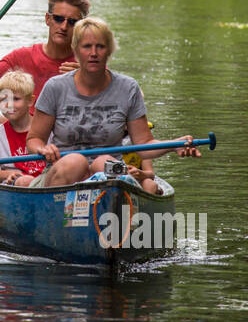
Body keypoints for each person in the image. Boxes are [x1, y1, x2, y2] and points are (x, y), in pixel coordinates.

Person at [26, 16, 201, 194]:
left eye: (100, 46)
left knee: (104, 163)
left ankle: (109, 215)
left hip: (109, 174)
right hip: (61, 172)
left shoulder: (128, 88)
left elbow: (145, 144)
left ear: (109, 50)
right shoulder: (56, 87)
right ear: (76, 50)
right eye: (87, 46)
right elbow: (33, 139)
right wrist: (42, 147)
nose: (93, 53)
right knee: (75, 162)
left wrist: (174, 145)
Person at [0, 0, 90, 137]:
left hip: (66, 141)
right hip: (26, 139)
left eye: (72, 22)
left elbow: (108, 112)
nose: (63, 27)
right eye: (58, 19)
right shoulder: (21, 57)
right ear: (47, 19)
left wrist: (88, 81)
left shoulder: (89, 63)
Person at [0, 71, 47, 186]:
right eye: (4, 100)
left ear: (30, 101)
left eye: (16, 99)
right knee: (24, 181)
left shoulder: (45, 128)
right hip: (16, 184)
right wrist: (7, 174)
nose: (9, 105)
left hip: (45, 181)